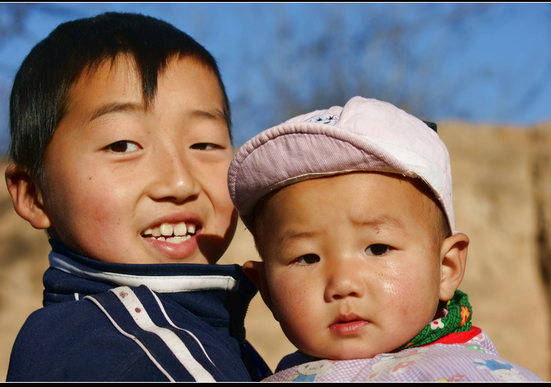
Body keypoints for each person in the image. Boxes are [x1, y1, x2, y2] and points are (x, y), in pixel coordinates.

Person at [4, 12, 270, 382]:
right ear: (34, 194)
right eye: (122, 144)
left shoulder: (191, 332)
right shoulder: (128, 350)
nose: (179, 183)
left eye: (204, 143)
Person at [227, 96, 543, 382]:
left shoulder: (467, 374)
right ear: (265, 288)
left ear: (445, 267)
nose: (342, 284)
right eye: (307, 257)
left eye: (377, 248)